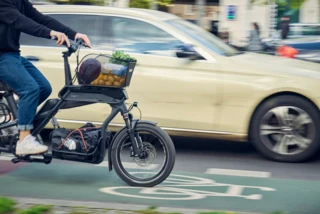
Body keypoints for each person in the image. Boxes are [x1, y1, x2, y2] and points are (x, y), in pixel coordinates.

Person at [0, 0, 92, 156]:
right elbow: (20, 21)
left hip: (12, 55)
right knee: (30, 89)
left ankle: (15, 120)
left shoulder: (20, 1)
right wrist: (50, 33)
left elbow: (41, 19)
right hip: (2, 56)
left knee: (44, 88)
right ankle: (24, 140)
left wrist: (74, 34)